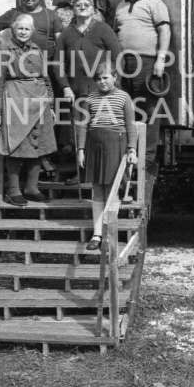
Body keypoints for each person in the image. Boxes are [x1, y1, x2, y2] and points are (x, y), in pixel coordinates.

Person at [113, 0, 170, 201]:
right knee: (126, 111)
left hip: (146, 61)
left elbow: (164, 30)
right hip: (123, 63)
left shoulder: (155, 3)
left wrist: (161, 59)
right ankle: (129, 152)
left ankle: (146, 156)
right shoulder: (120, 6)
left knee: (149, 110)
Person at [0, 13, 57, 206]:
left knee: (39, 144)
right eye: (20, 28)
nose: (23, 32)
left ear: (32, 32)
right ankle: (13, 190)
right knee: (16, 145)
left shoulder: (36, 49)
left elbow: (46, 78)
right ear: (13, 29)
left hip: (39, 101)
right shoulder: (4, 49)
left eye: (27, 29)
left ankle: (32, 188)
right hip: (16, 100)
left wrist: (50, 103)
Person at [75, 65, 137, 251]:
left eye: (105, 78)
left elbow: (130, 125)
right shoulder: (90, 98)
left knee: (112, 190)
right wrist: (81, 149)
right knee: (97, 190)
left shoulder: (124, 97)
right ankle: (96, 234)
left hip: (115, 145)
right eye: (98, 79)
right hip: (95, 146)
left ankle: (109, 234)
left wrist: (132, 149)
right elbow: (83, 125)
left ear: (115, 77)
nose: (102, 82)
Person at [55, 0, 121, 102]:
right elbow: (58, 64)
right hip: (75, 92)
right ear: (73, 10)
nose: (82, 7)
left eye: (86, 5)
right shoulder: (66, 33)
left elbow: (117, 57)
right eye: (78, 5)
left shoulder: (104, 29)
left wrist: (114, 83)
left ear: (93, 9)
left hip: (102, 90)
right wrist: (65, 87)